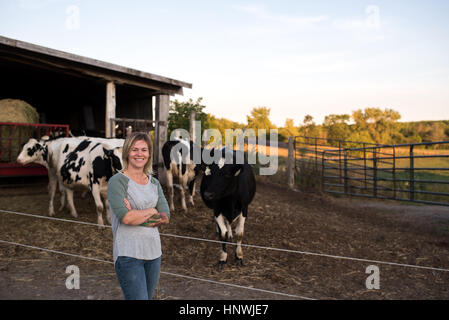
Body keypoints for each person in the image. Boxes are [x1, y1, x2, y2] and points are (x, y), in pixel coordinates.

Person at [107, 132, 170, 300]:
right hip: (128, 254)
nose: (139, 154)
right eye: (135, 149)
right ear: (127, 152)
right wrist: (151, 211)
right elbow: (125, 218)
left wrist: (137, 214)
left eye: (144, 149)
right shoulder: (117, 181)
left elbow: (165, 217)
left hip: (153, 253)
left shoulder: (154, 183)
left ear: (149, 154)